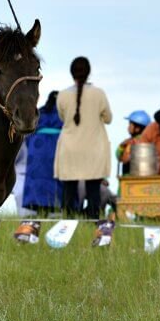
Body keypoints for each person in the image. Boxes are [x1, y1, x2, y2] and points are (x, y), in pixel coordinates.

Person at [54, 56, 112, 219]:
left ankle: (66, 226)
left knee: (69, 191)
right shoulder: (99, 94)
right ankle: (93, 223)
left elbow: (62, 117)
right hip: (94, 148)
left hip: (69, 149)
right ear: (89, 73)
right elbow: (108, 118)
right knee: (93, 191)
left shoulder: (62, 95)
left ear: (72, 73)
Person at [23, 91, 63, 214]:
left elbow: (28, 134)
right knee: (55, 179)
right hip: (57, 145)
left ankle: (39, 208)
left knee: (38, 178)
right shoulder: (63, 114)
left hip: (37, 147)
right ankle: (54, 206)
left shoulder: (40, 112)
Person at [116, 110, 151, 176]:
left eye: (130, 124)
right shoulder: (148, 141)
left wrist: (122, 146)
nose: (128, 127)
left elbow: (122, 158)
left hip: (130, 180)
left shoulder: (131, 143)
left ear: (137, 128)